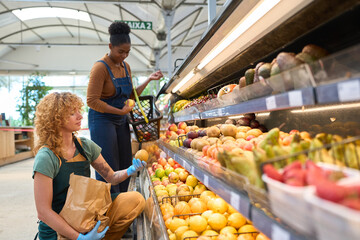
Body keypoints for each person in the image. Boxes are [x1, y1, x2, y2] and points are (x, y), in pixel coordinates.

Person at [33, 92, 146, 240]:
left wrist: (131, 170)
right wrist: (79, 237)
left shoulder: (84, 146)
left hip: (85, 215)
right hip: (57, 229)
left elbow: (111, 177)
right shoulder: (46, 157)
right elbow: (43, 212)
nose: (80, 116)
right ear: (56, 119)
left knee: (135, 200)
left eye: (79, 111)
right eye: (72, 113)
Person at [87, 21, 163, 193]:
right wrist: (120, 111)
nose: (124, 56)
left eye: (127, 52)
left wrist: (149, 79)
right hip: (102, 119)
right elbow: (92, 101)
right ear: (110, 46)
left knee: (124, 163)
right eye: (120, 51)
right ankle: (109, 207)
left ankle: (122, 203)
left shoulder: (125, 67)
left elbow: (131, 94)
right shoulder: (100, 68)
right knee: (108, 166)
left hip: (121, 119)